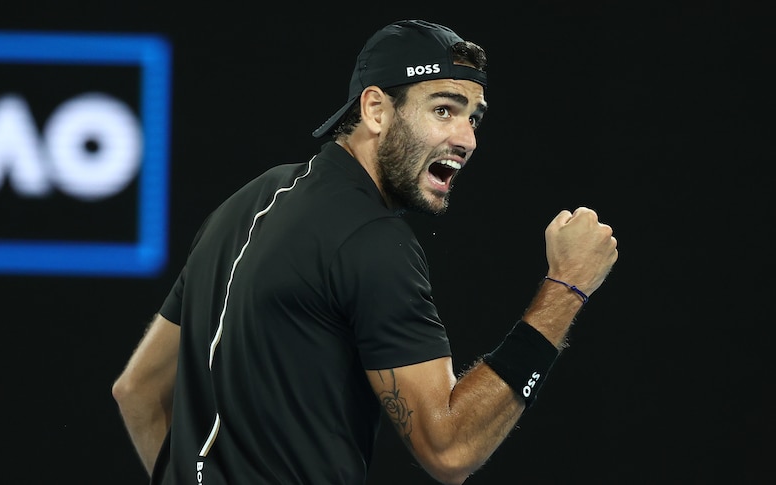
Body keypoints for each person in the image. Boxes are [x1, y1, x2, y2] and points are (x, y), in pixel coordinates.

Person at [112, 19, 618, 485]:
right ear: (375, 109)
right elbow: (450, 451)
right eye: (443, 109)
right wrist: (566, 286)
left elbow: (136, 391)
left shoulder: (252, 199)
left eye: (473, 119)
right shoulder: (371, 242)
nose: (466, 139)